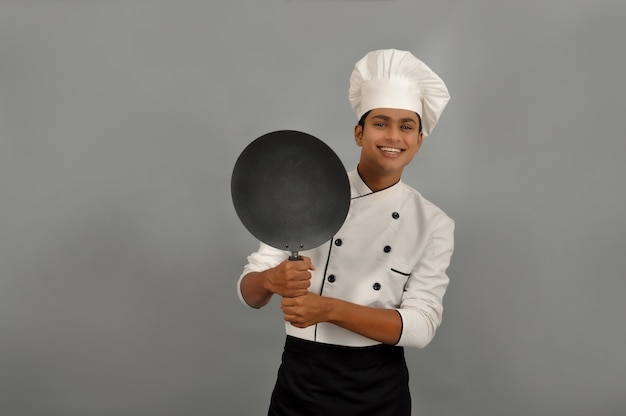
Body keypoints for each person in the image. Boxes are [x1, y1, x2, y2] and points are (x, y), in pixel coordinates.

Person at [237, 49, 454, 416]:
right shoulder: (308, 190)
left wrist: (329, 309)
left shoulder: (433, 223)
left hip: (378, 389)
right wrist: (271, 280)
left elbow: (420, 326)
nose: (393, 137)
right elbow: (250, 293)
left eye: (406, 126)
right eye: (380, 123)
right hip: (301, 381)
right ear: (359, 132)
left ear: (419, 140)